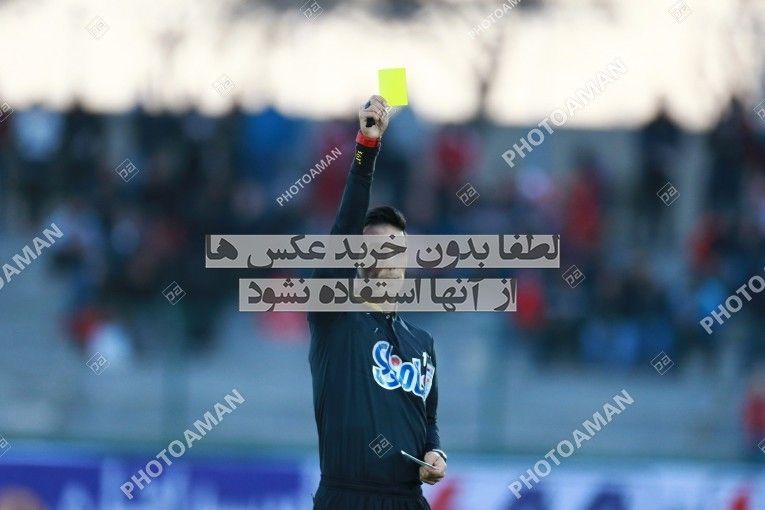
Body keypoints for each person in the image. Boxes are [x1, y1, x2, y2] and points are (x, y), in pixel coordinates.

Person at [308, 95, 447, 510]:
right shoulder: (335, 318)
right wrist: (367, 149)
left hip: (407, 500)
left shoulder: (421, 342)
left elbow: (428, 420)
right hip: (346, 498)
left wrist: (435, 454)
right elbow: (343, 228)